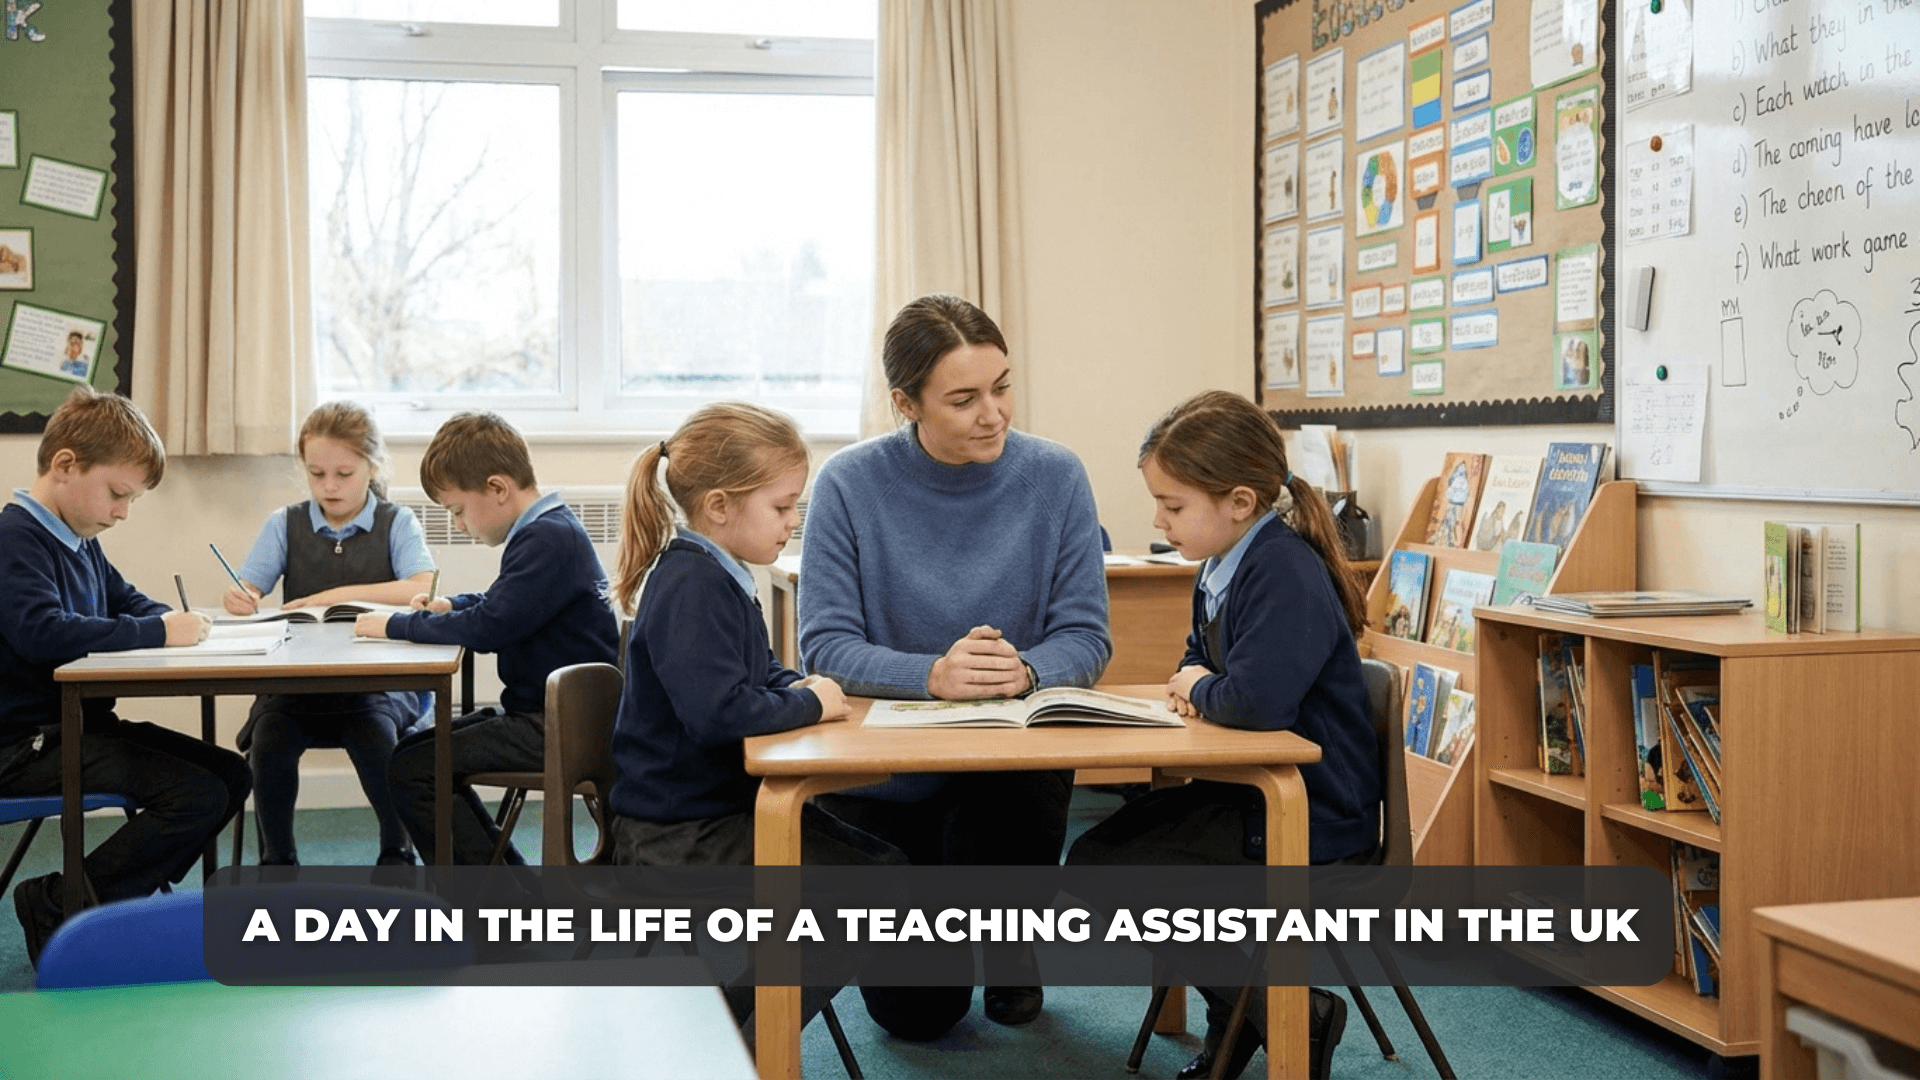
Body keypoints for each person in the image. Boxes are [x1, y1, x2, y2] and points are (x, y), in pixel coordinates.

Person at [797, 293, 1111, 1039]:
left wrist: (1027, 672)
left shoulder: (1057, 476)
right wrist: (931, 675)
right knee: (918, 1018)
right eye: (964, 399)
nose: (993, 413)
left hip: (1008, 770)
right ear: (907, 403)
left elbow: (1086, 638)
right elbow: (826, 648)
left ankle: (1010, 941)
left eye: (1002, 386)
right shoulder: (848, 483)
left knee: (1006, 813)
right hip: (887, 778)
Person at [1066, 390, 1383, 1080]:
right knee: (1099, 858)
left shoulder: (1282, 570)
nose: (1158, 520)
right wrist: (1197, 681)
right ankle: (1252, 1015)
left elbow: (1254, 700)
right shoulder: (1220, 563)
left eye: (1172, 506)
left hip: (1309, 814)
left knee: (1109, 872)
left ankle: (1285, 1011)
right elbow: (1195, 656)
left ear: (1240, 501)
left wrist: (1199, 688)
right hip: (1250, 794)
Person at [605, 401, 905, 1038]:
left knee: (881, 872)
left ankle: (731, 1028)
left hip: (710, 814)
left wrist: (798, 685)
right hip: (678, 836)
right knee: (875, 890)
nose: (792, 523)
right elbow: (719, 714)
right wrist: (811, 702)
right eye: (782, 506)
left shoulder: (721, 572)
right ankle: (734, 1040)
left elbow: (759, 674)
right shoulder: (692, 583)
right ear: (719, 505)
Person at [0, 386, 250, 964]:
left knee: (231, 775)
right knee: (194, 794)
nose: (121, 512)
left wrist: (170, 620)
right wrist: (162, 634)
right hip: (24, 745)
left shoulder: (78, 541)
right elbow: (46, 634)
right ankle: (61, 908)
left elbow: (128, 602)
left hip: (78, 729)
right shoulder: (16, 540)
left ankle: (93, 904)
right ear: (65, 465)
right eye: (117, 494)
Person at [358, 411, 618, 865]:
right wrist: (453, 605)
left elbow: (490, 627)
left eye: (457, 510)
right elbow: (503, 601)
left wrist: (395, 624)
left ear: (498, 489)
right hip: (548, 714)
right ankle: (505, 883)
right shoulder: (548, 529)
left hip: (557, 726)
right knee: (413, 754)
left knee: (414, 768)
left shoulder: (546, 539)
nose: (458, 524)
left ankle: (495, 900)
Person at [224, 402, 435, 866]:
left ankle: (396, 851)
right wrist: (240, 596)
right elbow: (247, 586)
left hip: (374, 684)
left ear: (371, 466)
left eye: (343, 473)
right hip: (297, 685)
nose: (329, 486)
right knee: (270, 739)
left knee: (375, 735)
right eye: (317, 473)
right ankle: (278, 860)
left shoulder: (397, 522)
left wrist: (335, 593)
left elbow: (422, 586)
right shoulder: (285, 522)